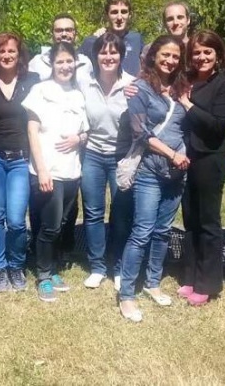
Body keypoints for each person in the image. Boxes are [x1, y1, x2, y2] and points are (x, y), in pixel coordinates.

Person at [118, 35, 190, 323]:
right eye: (165, 55)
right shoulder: (139, 89)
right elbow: (141, 133)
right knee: (142, 231)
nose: (170, 61)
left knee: (163, 231)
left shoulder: (183, 88)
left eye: (175, 56)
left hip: (177, 174)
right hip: (150, 171)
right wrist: (172, 154)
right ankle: (126, 294)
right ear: (153, 56)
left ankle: (153, 283)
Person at [23, 41, 88, 302]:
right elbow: (32, 131)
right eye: (60, 61)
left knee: (61, 224)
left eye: (69, 61)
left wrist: (79, 139)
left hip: (72, 171)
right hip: (48, 170)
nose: (65, 66)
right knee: (49, 225)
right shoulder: (40, 90)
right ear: (51, 64)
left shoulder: (78, 94)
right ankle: (43, 276)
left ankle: (52, 269)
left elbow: (85, 131)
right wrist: (41, 170)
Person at [0, 32, 39, 292]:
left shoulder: (32, 81)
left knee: (16, 219)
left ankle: (16, 265)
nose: (7, 55)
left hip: (20, 159)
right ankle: (0, 266)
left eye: (11, 50)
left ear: (19, 54)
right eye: (1, 51)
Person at [176, 30, 225, 306]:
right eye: (196, 52)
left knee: (208, 221)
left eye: (207, 52)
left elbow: (216, 125)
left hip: (210, 158)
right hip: (185, 157)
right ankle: (190, 276)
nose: (202, 57)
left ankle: (207, 282)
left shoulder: (224, 85)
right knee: (190, 219)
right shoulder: (186, 80)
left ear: (217, 54)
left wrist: (187, 103)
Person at [78, 33, 135, 290]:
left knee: (121, 214)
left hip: (121, 157)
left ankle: (119, 266)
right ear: (95, 56)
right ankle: (97, 267)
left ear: (121, 55)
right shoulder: (84, 83)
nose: (108, 57)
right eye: (103, 52)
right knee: (93, 212)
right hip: (92, 154)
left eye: (113, 52)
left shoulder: (132, 85)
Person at [80, 0, 145, 77]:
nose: (119, 17)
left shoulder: (136, 39)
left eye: (124, 12)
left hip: (133, 84)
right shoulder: (94, 41)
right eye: (114, 12)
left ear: (130, 15)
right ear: (106, 15)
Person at [28, 13, 93, 79]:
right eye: (59, 30)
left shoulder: (85, 63)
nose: (64, 34)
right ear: (52, 34)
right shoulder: (37, 62)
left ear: (75, 33)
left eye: (68, 30)